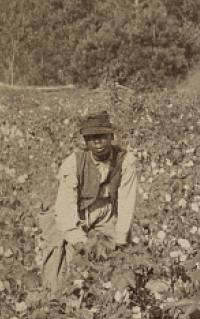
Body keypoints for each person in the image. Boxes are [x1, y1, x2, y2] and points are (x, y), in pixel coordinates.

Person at [38, 111, 139, 291]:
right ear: (86, 142)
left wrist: (121, 237)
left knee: (109, 256)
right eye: (92, 138)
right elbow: (65, 208)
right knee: (60, 254)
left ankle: (106, 297)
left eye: (101, 136)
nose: (97, 142)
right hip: (69, 212)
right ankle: (54, 297)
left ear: (111, 136)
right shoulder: (73, 163)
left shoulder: (125, 161)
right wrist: (79, 241)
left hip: (105, 213)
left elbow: (126, 200)